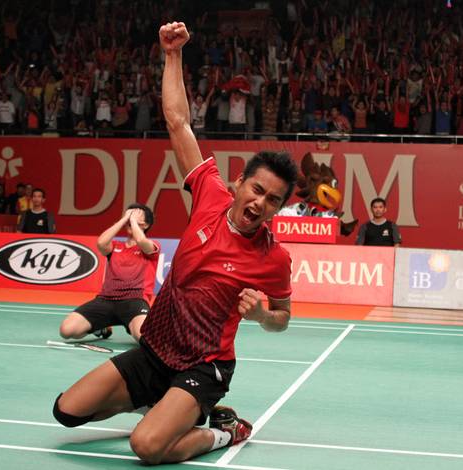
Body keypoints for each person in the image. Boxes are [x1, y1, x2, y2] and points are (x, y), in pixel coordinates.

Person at [53, 22, 298, 465]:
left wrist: (263, 316)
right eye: (257, 190)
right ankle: (161, 403)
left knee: (147, 446)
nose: (260, 203)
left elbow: (283, 317)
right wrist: (172, 55)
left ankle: (222, 431)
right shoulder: (209, 194)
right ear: (239, 183)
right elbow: (178, 122)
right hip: (155, 351)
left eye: (273, 201)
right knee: (66, 411)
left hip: (205, 365)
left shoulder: (273, 258)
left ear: (278, 209)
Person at [59, 204, 159, 342]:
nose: (131, 218)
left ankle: (131, 325)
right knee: (66, 331)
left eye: (136, 215)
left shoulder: (152, 246)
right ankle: (101, 329)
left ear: (146, 224)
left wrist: (133, 221)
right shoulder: (116, 246)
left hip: (135, 301)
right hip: (106, 300)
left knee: (143, 337)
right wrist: (124, 219)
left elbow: (141, 240)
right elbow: (101, 242)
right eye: (129, 214)